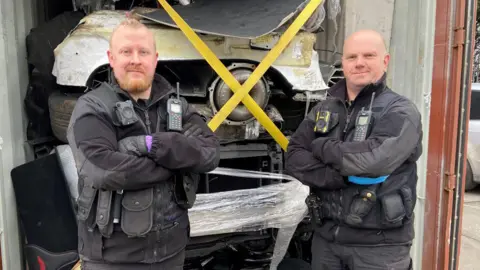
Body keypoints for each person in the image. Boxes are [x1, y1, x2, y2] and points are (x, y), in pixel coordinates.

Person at [67, 18, 220, 270]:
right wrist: (176, 163)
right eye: (126, 51)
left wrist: (155, 146)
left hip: (171, 254)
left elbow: (210, 154)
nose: (135, 59)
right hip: (111, 259)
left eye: (143, 52)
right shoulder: (93, 107)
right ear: (112, 57)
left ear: (155, 58)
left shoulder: (177, 107)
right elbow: (105, 170)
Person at [285, 29, 422, 270]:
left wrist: (322, 146)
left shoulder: (400, 111)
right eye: (351, 57)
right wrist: (336, 176)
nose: (359, 63)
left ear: (385, 60)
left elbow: (372, 161)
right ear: (343, 63)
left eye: (368, 55)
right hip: (326, 241)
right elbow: (294, 155)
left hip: (379, 249)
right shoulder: (324, 109)